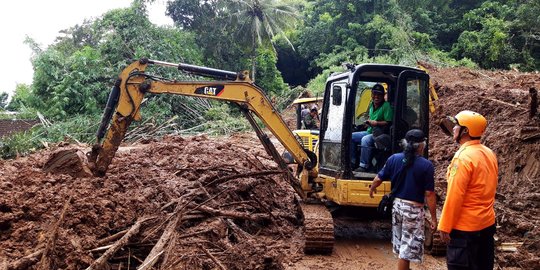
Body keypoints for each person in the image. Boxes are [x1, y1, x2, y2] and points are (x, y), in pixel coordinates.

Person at [437, 110, 498, 270]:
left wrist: (445, 225)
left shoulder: (463, 158)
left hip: (465, 230)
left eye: (457, 125)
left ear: (466, 131)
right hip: (487, 224)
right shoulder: (489, 153)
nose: (454, 128)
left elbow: (455, 195)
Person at [369, 129, 437, 270]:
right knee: (406, 249)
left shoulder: (394, 158)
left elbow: (378, 178)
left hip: (397, 206)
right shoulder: (426, 165)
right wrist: (434, 218)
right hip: (413, 209)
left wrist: (372, 188)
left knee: (401, 245)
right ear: (421, 146)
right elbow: (429, 194)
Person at [352, 84, 393, 172]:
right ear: (372, 94)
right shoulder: (371, 105)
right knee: (351, 136)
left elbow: (389, 122)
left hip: (380, 134)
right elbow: (372, 118)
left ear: (383, 95)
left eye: (379, 94)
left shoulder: (386, 106)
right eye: (374, 94)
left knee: (365, 140)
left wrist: (376, 123)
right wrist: (367, 123)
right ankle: (352, 161)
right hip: (370, 130)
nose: (376, 96)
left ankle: (364, 165)